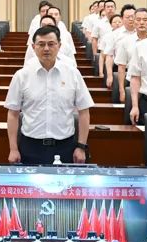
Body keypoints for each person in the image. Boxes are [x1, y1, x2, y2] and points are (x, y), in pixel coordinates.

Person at [6, 25, 94, 164]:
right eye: (41, 44)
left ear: (59, 46)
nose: (46, 48)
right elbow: (13, 114)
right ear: (33, 47)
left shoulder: (73, 74)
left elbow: (84, 111)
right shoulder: (21, 76)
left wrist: (81, 146)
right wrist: (13, 148)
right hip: (30, 146)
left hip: (65, 146)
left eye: (51, 44)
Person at [114, 8, 147, 104]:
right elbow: (121, 67)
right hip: (132, 82)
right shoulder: (125, 42)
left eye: (145, 20)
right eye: (138, 20)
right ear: (134, 22)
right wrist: (122, 90)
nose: (141, 23)